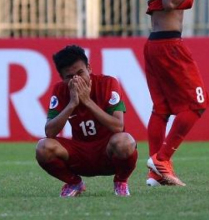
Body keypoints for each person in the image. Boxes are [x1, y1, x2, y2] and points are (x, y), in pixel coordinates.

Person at [144, 0, 209, 187]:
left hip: (155, 44)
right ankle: (162, 159)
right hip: (169, 46)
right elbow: (171, 2)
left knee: (161, 110)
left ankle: (155, 173)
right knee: (198, 103)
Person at [35, 45, 137, 197]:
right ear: (62, 78)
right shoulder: (60, 90)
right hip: (80, 153)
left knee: (125, 141)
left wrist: (87, 101)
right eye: (70, 77)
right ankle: (74, 183)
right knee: (43, 147)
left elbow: (118, 126)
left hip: (107, 152)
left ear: (89, 68)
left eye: (80, 73)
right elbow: (49, 131)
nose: (77, 79)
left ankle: (121, 182)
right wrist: (72, 104)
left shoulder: (108, 83)